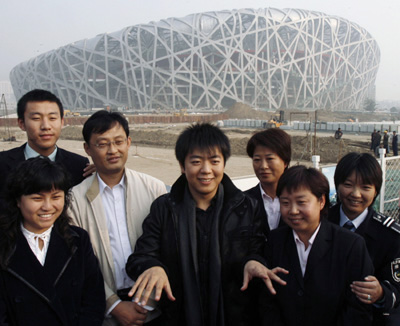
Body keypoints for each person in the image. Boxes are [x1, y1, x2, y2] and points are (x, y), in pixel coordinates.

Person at [126, 123, 283, 326]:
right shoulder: (165, 208)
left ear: (223, 164)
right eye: (196, 161)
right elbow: (141, 255)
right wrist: (153, 266)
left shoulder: (246, 207)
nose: (206, 170)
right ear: (183, 166)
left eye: (214, 161)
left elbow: (259, 249)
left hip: (234, 316)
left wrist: (253, 261)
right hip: (178, 316)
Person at [68, 110, 167, 326]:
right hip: (104, 314)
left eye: (118, 141)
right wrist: (112, 304)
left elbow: (167, 248)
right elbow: (77, 262)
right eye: (102, 144)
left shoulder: (154, 189)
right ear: (87, 148)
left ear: (129, 142)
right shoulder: (74, 200)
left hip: (155, 307)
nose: (113, 150)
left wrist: (148, 301)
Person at [262, 165, 374, 326]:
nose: (293, 210)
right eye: (285, 202)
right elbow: (267, 301)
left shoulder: (350, 245)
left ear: (321, 201)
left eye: (301, 202)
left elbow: (358, 308)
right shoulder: (275, 241)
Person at [0, 157, 105, 325]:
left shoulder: (78, 240)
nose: (48, 207)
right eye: (37, 198)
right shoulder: (4, 245)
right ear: (18, 200)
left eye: (56, 197)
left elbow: (94, 300)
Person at [328, 152, 400, 325]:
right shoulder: (319, 222)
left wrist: (381, 293)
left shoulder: (390, 236)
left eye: (365, 187)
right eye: (348, 185)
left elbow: (397, 288)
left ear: (376, 190)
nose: (356, 194)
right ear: (337, 185)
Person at [0, 89, 93, 209]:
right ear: (21, 123)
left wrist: (103, 173)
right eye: (36, 118)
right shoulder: (2, 163)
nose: (46, 126)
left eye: (52, 118)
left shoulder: (79, 166)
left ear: (62, 122)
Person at [245, 128, 291, 236]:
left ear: (285, 162)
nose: (263, 166)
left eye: (269, 159)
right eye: (257, 160)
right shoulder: (243, 202)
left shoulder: (299, 201)